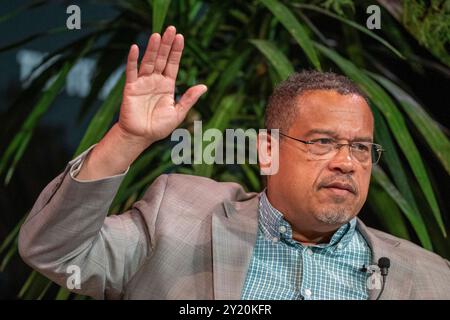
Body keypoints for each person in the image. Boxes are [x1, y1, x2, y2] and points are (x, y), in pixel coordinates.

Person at [18, 26, 450, 300]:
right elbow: (55, 251)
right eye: (323, 142)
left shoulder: (432, 279)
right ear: (266, 150)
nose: (346, 163)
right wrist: (128, 139)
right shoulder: (178, 218)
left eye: (361, 148)